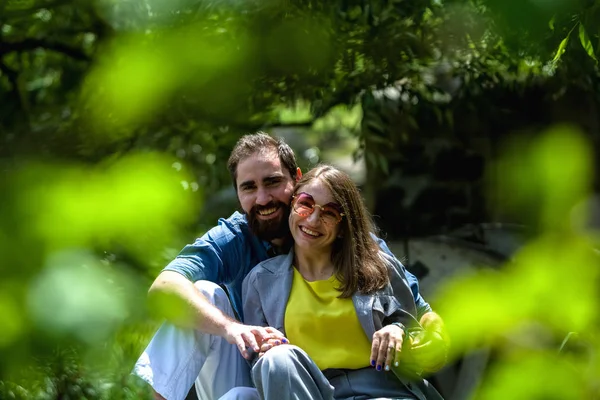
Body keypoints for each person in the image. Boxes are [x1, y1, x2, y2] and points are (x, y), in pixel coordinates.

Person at [133, 133, 446, 400]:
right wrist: (233, 328)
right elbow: (164, 288)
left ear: (297, 180)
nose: (263, 198)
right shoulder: (236, 241)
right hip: (266, 369)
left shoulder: (361, 250)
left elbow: (421, 314)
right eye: (249, 187)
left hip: (355, 385)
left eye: (272, 182)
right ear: (238, 193)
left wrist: (418, 335)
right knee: (201, 293)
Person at [226, 164, 445, 400]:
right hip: (309, 392)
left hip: (382, 391)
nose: (313, 219)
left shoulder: (379, 268)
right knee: (276, 359)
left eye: (329, 213)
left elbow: (417, 332)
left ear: (343, 227)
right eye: (305, 204)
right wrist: (263, 351)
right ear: (292, 206)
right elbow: (258, 364)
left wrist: (398, 330)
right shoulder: (260, 281)